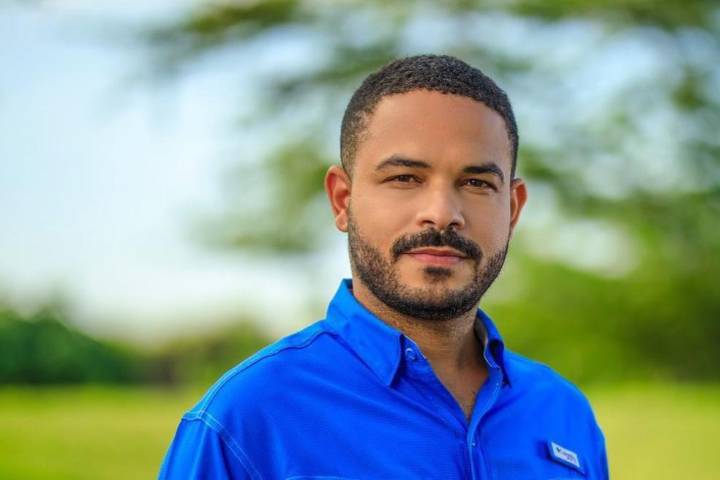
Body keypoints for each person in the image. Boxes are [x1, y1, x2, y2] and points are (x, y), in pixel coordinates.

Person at [159, 54, 609, 479]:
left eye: (475, 182)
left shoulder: (563, 414)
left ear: (512, 208)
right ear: (342, 200)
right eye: (405, 178)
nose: (442, 213)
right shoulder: (245, 419)